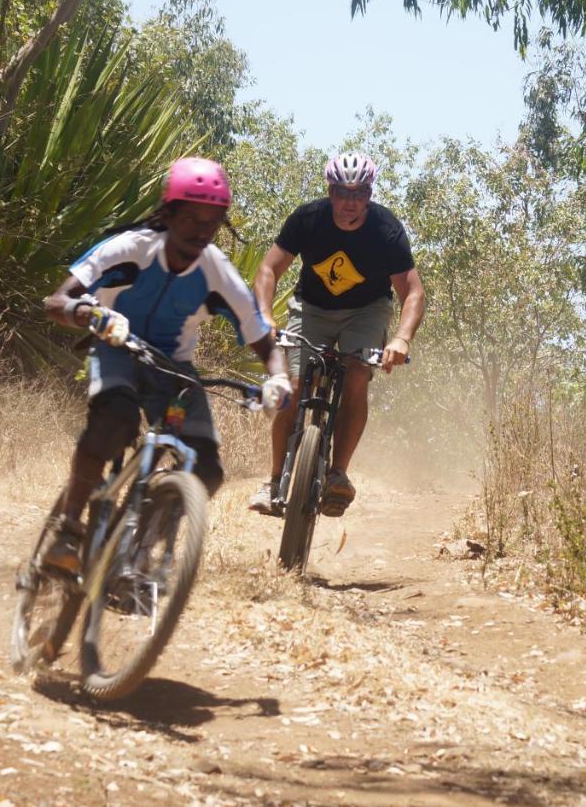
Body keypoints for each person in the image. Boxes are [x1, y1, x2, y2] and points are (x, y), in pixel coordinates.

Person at [40, 156, 291, 573]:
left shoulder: (217, 273)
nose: (201, 230)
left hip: (173, 367)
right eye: (192, 218)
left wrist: (278, 378)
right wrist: (89, 314)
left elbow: (263, 339)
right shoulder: (132, 248)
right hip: (116, 346)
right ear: (169, 212)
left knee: (207, 471)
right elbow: (57, 300)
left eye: (212, 222)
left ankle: (138, 552)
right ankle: (68, 527)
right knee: (114, 420)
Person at [248, 152, 426, 517]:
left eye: (359, 193)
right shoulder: (308, 219)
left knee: (357, 375)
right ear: (329, 192)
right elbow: (268, 269)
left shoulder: (385, 229)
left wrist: (401, 339)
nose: (350, 203)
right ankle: (274, 480)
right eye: (342, 193)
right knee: (294, 385)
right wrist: (264, 315)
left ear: (370, 194)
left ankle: (338, 474)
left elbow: (413, 292)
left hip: (366, 310)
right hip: (311, 309)